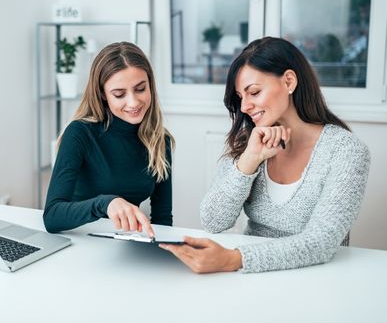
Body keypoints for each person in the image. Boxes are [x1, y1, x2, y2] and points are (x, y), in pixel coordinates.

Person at [160, 36, 370, 273]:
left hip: (315, 279)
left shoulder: (346, 150)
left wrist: (234, 259)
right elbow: (213, 221)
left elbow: (321, 242)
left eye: (254, 92)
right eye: (240, 97)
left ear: (289, 81)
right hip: (250, 277)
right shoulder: (249, 142)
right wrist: (249, 161)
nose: (244, 107)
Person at [43, 42, 174, 235]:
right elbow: (52, 216)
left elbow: (163, 218)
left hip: (125, 245)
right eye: (119, 94)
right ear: (103, 95)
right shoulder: (80, 133)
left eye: (140, 89)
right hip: (78, 240)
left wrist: (162, 253)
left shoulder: (159, 140)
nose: (133, 102)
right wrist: (105, 203)